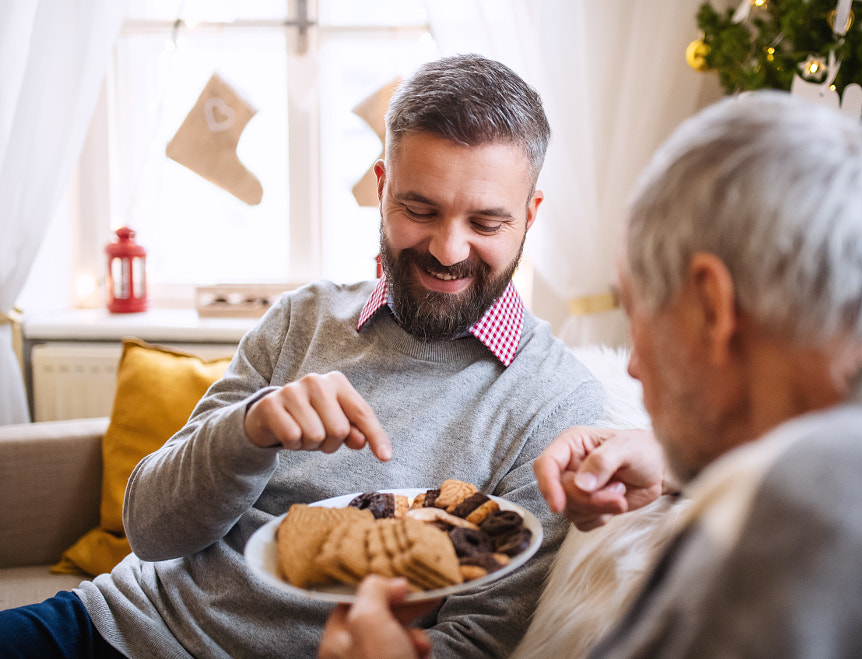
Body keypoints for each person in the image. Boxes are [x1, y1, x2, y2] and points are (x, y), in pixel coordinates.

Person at [321, 90, 862, 658]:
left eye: (638, 314)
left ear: (713, 305)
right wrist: (682, 463)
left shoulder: (803, 525)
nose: (630, 364)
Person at [0, 54, 603, 658]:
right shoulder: (302, 318)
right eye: (420, 210)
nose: (448, 249)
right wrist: (249, 431)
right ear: (382, 186)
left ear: (529, 215)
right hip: (117, 626)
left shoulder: (557, 406)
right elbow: (150, 530)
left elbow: (476, 641)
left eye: (486, 223)